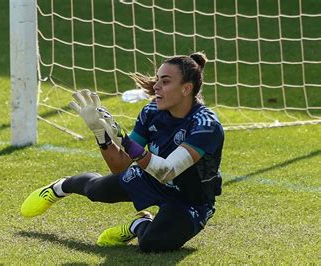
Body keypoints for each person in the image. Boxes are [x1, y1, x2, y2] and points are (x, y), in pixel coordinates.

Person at [21, 52, 224, 253]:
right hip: (150, 177)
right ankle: (60, 187)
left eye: (165, 81)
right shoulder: (151, 111)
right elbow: (120, 166)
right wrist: (100, 133)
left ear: (186, 88)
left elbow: (167, 171)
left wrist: (125, 141)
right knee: (96, 190)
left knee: (153, 244)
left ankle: (139, 224)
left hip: (190, 199)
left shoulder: (205, 125)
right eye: (157, 80)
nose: (155, 87)